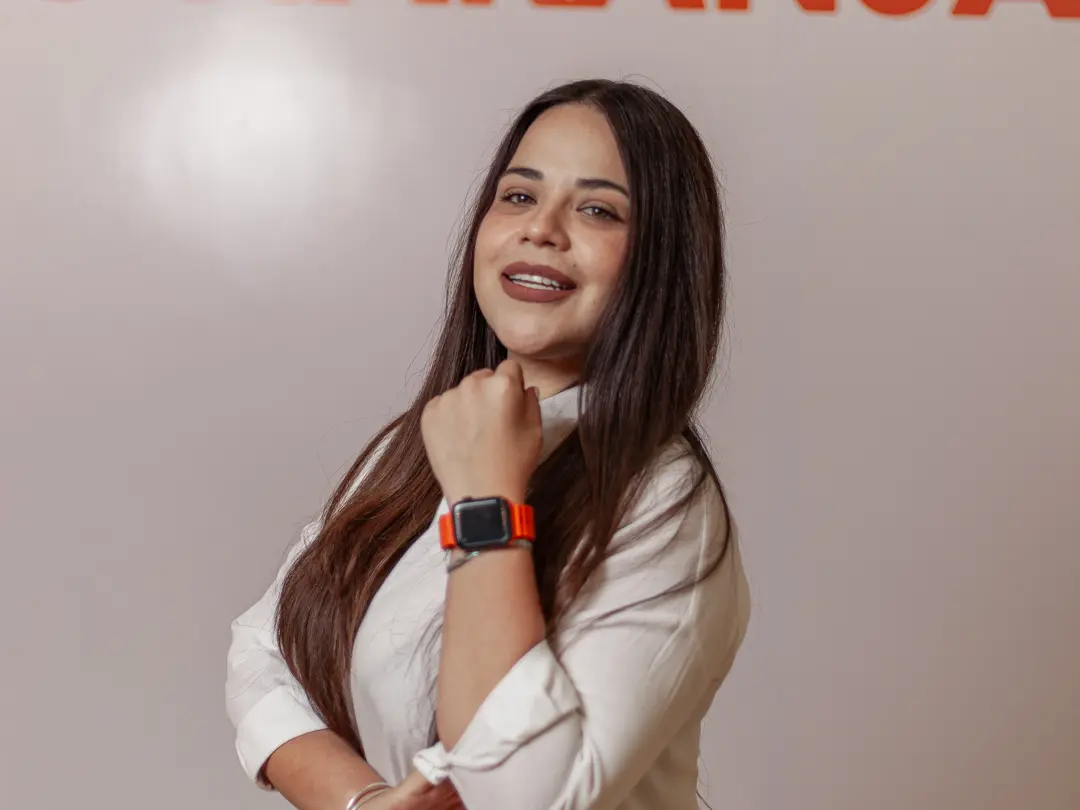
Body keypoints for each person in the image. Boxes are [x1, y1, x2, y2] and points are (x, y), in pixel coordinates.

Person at [225, 78, 751, 810]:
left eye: (597, 209)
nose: (541, 229)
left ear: (660, 263)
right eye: (519, 195)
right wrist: (363, 800)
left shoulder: (665, 501)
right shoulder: (430, 438)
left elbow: (521, 796)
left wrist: (486, 500)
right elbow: (264, 649)